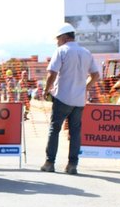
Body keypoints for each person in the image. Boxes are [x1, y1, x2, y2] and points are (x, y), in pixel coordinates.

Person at [41, 23, 100, 175]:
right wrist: (86, 87)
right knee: (75, 132)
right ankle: (72, 165)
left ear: (64, 37)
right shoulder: (86, 52)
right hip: (79, 100)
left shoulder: (62, 51)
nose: (57, 42)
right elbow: (96, 75)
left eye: (58, 38)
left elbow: (52, 74)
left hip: (62, 97)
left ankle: (49, 162)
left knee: (55, 129)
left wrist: (46, 90)